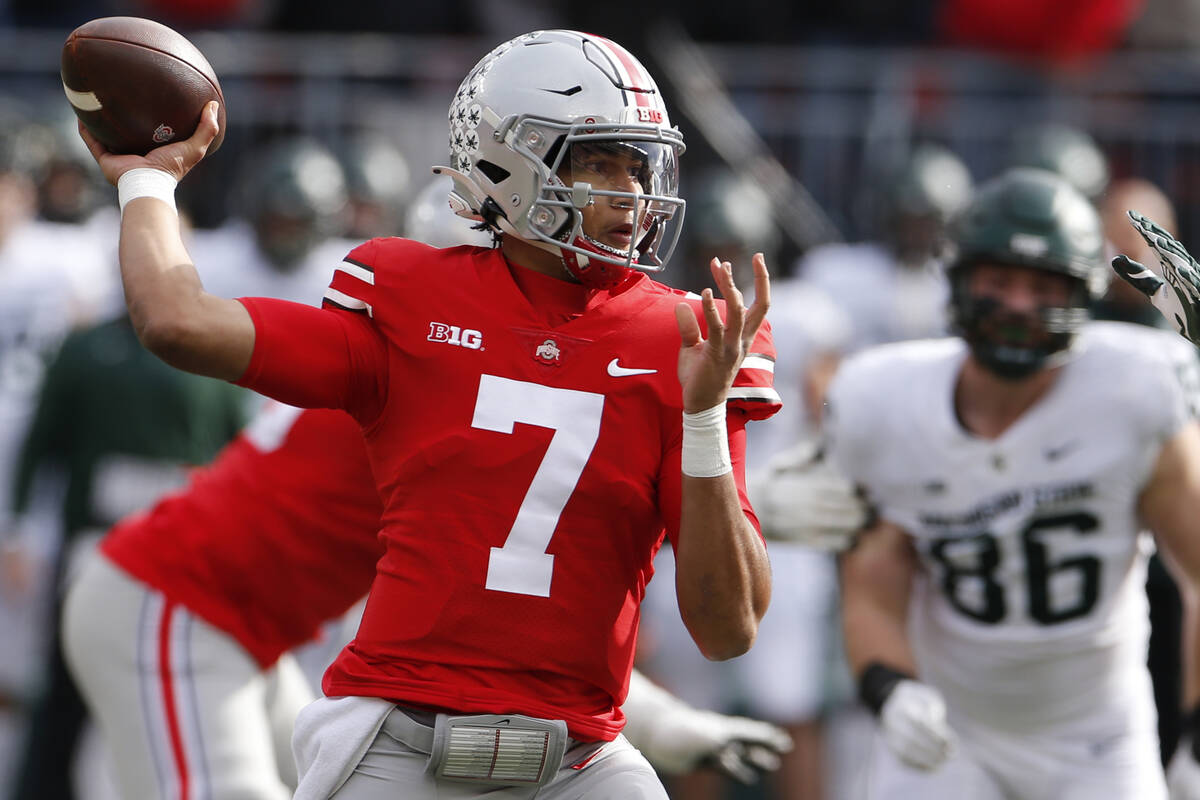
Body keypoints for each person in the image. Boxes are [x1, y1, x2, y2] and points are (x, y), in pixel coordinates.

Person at [76, 28, 779, 800]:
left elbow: (722, 627)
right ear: (508, 164)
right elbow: (179, 322)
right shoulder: (409, 306)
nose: (631, 192)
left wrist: (706, 419)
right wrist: (148, 182)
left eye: (638, 163)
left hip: (583, 758)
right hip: (394, 736)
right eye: (597, 161)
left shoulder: (685, 339)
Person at [63, 399, 792, 800]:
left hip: (244, 632)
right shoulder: (440, 401)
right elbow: (499, 618)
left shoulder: (426, 376)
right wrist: (663, 722)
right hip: (172, 605)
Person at [828, 167, 1200, 798]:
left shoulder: (1135, 386)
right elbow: (872, 584)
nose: (1019, 305)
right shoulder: (886, 398)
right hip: (951, 731)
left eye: (1042, 286)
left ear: (1084, 294)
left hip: (1096, 737)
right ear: (960, 279)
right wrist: (888, 687)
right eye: (999, 281)